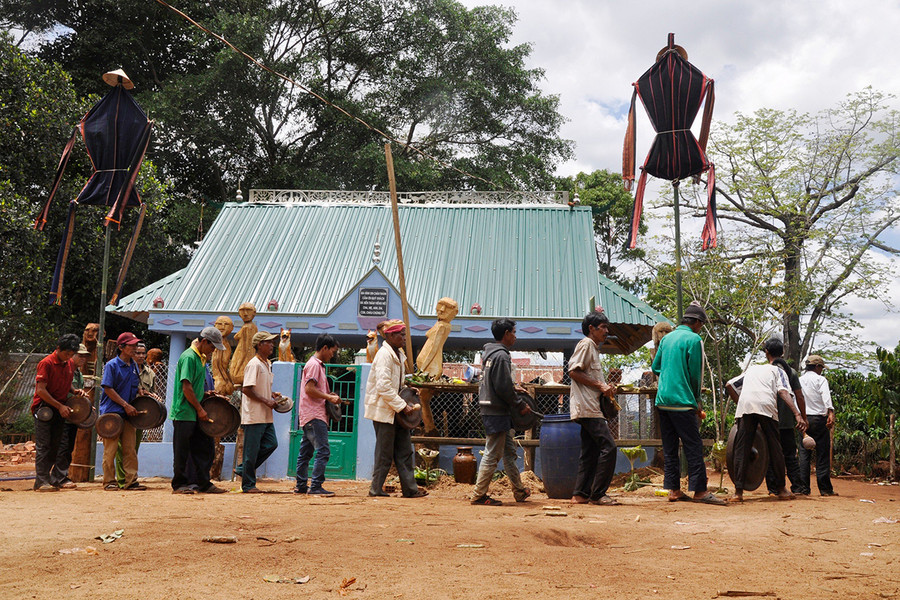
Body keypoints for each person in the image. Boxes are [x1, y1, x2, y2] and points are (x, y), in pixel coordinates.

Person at [650, 302, 724, 505]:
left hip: (663, 401)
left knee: (670, 447)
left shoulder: (666, 339)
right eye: (701, 324)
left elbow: (656, 367)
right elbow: (695, 375)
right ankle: (699, 491)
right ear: (698, 323)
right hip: (683, 401)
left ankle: (673, 490)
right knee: (693, 445)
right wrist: (697, 399)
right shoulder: (694, 339)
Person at [725, 338, 807, 503]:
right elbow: (784, 392)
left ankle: (738, 493)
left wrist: (741, 402)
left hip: (746, 407)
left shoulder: (753, 369)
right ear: (782, 355)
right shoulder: (780, 371)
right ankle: (782, 489)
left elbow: (729, 385)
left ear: (766, 353)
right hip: (766, 406)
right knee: (775, 448)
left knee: (742, 448)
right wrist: (797, 414)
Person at [470, 318, 532, 506]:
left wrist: (513, 389)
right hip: (497, 410)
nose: (515, 336)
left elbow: (500, 383)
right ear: (506, 334)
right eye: (513, 332)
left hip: (493, 407)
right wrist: (520, 403)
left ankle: (519, 491)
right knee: (492, 453)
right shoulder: (502, 356)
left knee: (508, 452)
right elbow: (503, 386)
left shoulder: (490, 354)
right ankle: (479, 495)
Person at [364, 320, 427, 498]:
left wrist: (408, 389)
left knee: (405, 451)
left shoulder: (396, 354)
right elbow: (383, 387)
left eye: (404, 334)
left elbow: (393, 384)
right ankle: (375, 489)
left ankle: (410, 489)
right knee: (385, 453)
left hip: (395, 412)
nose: (404, 338)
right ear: (390, 335)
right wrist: (402, 405)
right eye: (401, 334)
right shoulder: (385, 355)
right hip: (386, 412)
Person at [567, 311, 619, 506]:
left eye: (607, 327)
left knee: (590, 451)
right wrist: (600, 386)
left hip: (591, 406)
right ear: (591, 329)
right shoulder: (586, 344)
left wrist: (605, 388)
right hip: (588, 408)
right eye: (603, 327)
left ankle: (579, 494)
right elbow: (573, 371)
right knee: (609, 447)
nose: (606, 331)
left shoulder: (594, 348)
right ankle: (598, 494)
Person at [170, 327, 228, 494]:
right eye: (212, 347)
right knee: (181, 450)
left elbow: (194, 386)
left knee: (205, 447)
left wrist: (205, 393)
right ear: (204, 342)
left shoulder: (201, 358)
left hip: (195, 412)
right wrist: (200, 409)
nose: (213, 350)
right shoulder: (189, 357)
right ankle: (179, 484)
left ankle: (204, 483)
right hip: (184, 412)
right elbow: (186, 387)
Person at [31, 334, 81, 492]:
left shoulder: (69, 364)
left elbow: (66, 384)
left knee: (56, 445)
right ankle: (41, 480)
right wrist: (59, 406)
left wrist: (74, 391)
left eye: (72, 354)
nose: (69, 357)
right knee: (44, 445)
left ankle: (49, 479)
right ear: (58, 349)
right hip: (45, 408)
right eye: (67, 353)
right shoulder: (46, 363)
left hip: (61, 408)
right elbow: (41, 390)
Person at [294, 334, 342, 496]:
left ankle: (301, 485)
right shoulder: (314, 365)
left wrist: (330, 396)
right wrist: (329, 397)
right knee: (323, 451)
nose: (332, 355)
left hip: (308, 414)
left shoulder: (316, 365)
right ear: (324, 348)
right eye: (332, 351)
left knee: (305, 452)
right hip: (315, 415)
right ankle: (315, 486)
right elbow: (309, 389)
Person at [99, 332, 145, 491]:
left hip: (128, 413)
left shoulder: (133, 365)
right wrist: (125, 405)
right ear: (121, 347)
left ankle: (130, 481)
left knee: (129, 448)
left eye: (135, 344)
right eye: (131, 345)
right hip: (112, 413)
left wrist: (140, 391)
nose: (135, 348)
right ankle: (109, 481)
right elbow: (108, 388)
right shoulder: (112, 365)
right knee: (110, 450)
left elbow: (133, 385)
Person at [763, 343, 808, 496]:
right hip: (787, 421)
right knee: (790, 455)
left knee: (769, 455)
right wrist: (802, 416)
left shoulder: (764, 372)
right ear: (782, 352)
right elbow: (799, 396)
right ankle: (797, 486)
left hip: (769, 420)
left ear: (766, 352)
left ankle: (773, 488)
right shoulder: (792, 372)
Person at [238, 331, 280, 493]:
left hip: (265, 415)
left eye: (272, 342)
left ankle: (243, 469)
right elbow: (246, 389)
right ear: (259, 345)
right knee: (251, 450)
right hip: (254, 415)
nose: (272, 345)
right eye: (268, 342)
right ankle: (248, 485)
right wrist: (266, 400)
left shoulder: (267, 363)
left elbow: (260, 388)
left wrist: (272, 394)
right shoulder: (254, 364)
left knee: (271, 444)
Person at [50, 343, 91, 490]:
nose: (83, 359)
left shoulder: (78, 373)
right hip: (62, 415)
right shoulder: (65, 370)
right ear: (71, 355)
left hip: (73, 417)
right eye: (80, 356)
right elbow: (64, 394)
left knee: (68, 447)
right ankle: (58, 478)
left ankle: (61, 476)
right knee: (62, 447)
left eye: (85, 357)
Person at [115, 342, 155, 488]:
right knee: (122, 447)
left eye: (143, 353)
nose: (140, 356)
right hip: (126, 412)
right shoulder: (125, 367)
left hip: (141, 414)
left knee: (133, 448)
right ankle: (122, 479)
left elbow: (152, 392)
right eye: (137, 352)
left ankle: (131, 477)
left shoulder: (150, 373)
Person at [798, 355, 837, 496]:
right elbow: (826, 397)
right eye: (821, 368)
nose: (821, 371)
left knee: (804, 455)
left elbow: (795, 398)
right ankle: (825, 489)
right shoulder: (820, 380)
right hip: (818, 420)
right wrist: (831, 413)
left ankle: (803, 488)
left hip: (803, 419)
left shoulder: (799, 380)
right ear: (817, 367)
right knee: (822, 454)